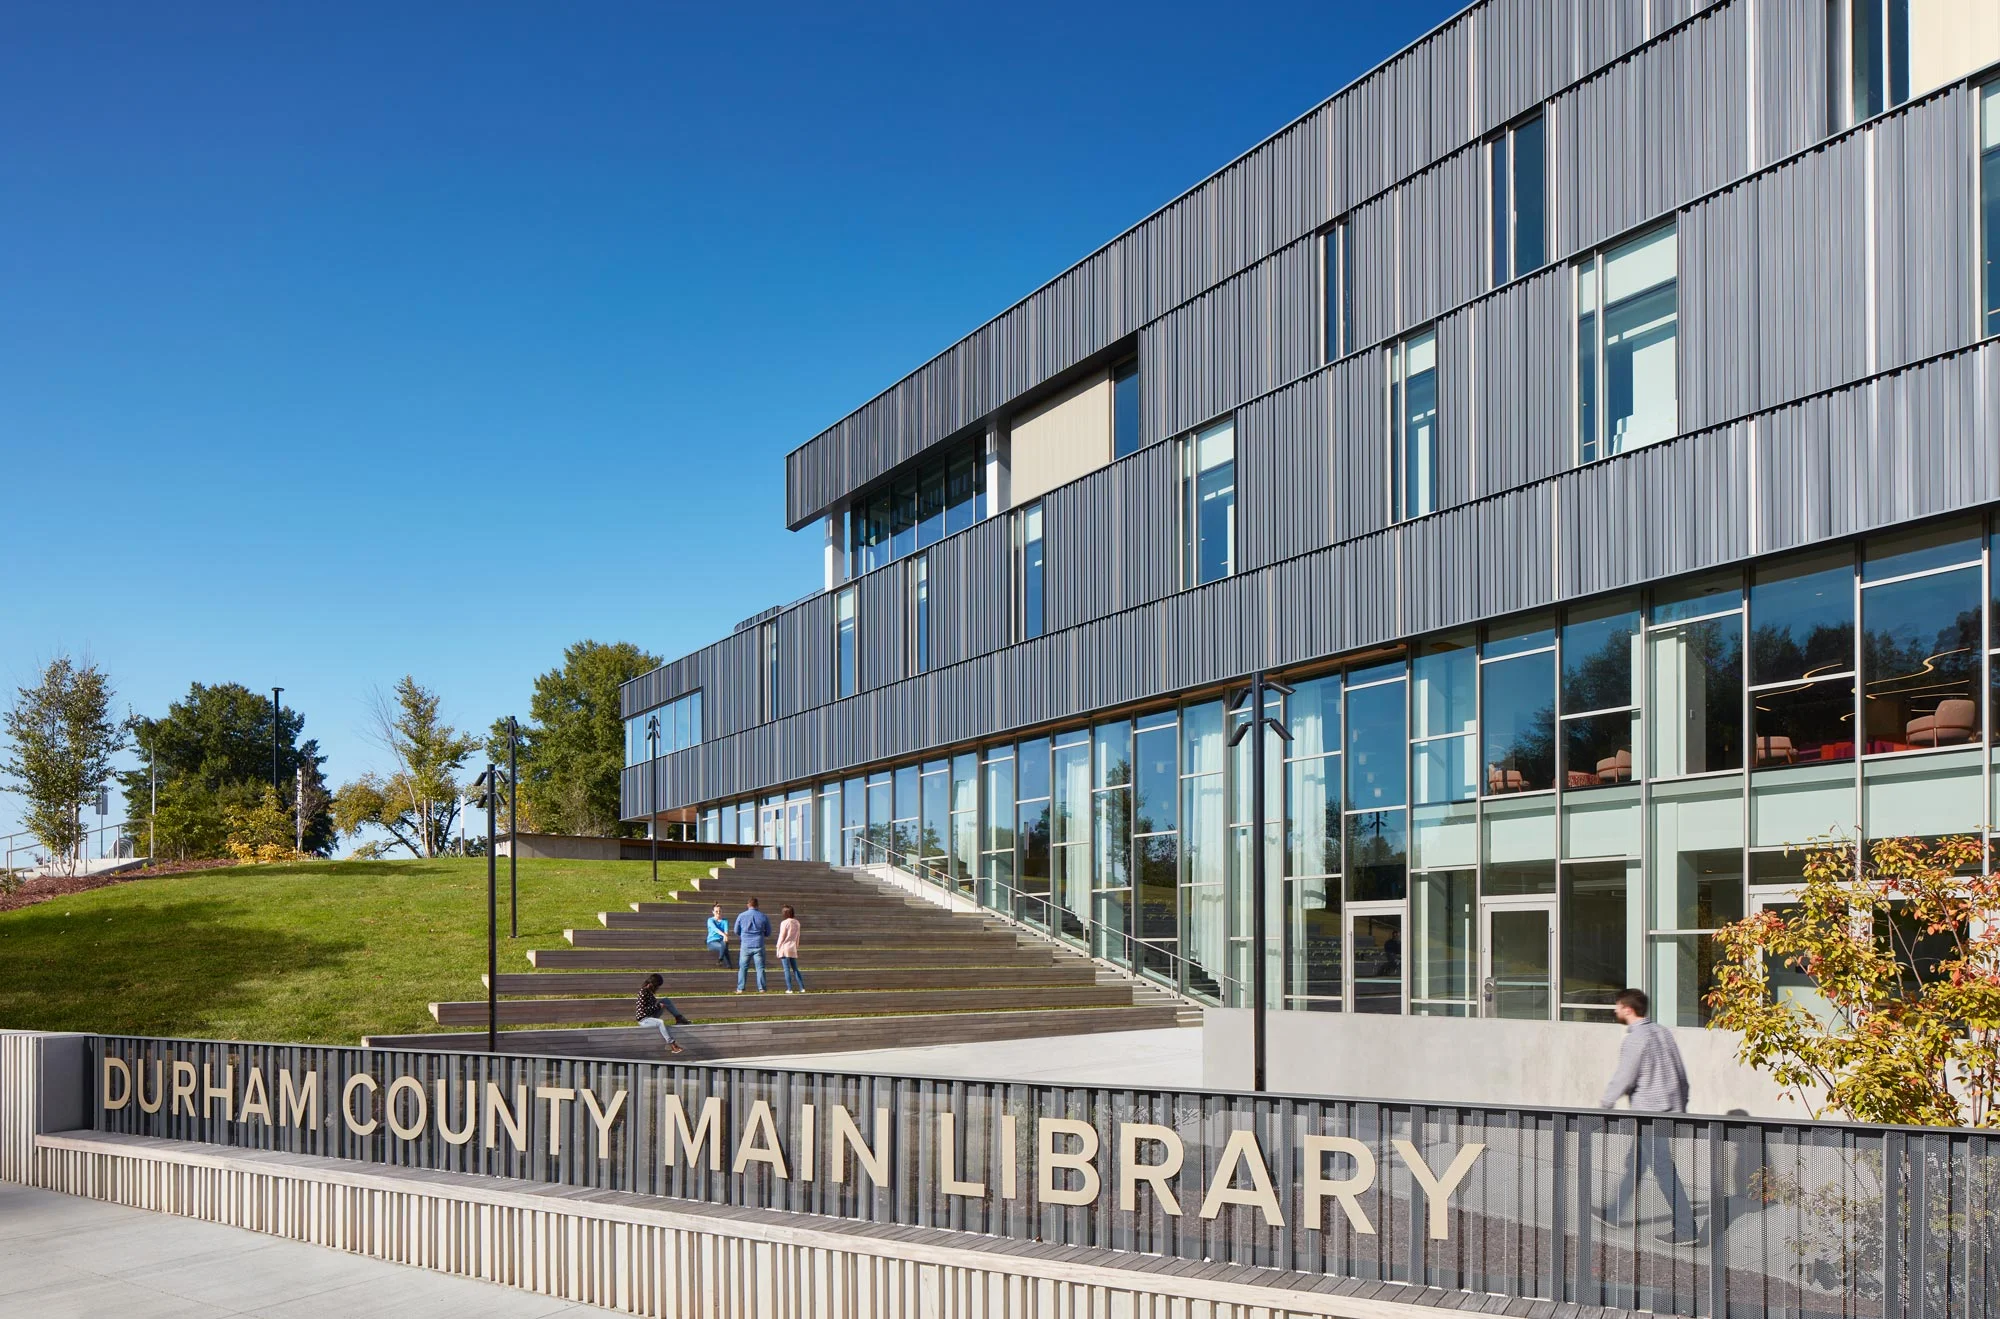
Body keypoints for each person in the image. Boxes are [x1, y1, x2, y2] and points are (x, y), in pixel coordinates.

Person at [1598, 987, 1699, 1245]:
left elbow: (1624, 1076)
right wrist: (1681, 1107)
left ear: (1628, 1009)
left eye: (1618, 1006)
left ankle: (1686, 1230)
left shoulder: (1635, 1039)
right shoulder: (1662, 1032)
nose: (1615, 1010)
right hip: (1667, 1110)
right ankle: (1613, 1212)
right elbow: (1681, 1073)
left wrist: (1604, 1105)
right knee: (1637, 1162)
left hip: (1649, 1114)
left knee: (1663, 1169)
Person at [635, 973, 690, 1055]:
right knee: (660, 1022)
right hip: (644, 1019)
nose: (657, 988)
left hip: (651, 1016)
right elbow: (643, 1010)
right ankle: (672, 1044)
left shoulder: (650, 992)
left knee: (666, 1000)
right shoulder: (643, 992)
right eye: (657, 986)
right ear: (653, 984)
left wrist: (658, 1006)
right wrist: (658, 1007)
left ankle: (679, 1017)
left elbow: (652, 1007)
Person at [734, 897, 772, 993]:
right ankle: (762, 988)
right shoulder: (763, 916)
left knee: (743, 967)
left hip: (745, 945)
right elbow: (768, 932)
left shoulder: (741, 916)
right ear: (757, 905)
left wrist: (743, 935)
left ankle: (740, 988)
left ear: (748, 905)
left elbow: (736, 930)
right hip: (758, 944)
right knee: (760, 968)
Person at [776, 904, 806, 993]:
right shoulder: (797, 922)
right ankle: (802, 988)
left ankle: (789, 988)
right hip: (793, 947)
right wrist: (796, 946)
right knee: (795, 969)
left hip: (784, 947)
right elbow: (798, 936)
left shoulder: (784, 923)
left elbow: (781, 936)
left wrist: (778, 947)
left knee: (786, 969)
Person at [704, 904, 732, 968]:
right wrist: (724, 935)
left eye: (720, 911)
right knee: (724, 947)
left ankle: (721, 960)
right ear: (713, 912)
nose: (718, 912)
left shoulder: (725, 921)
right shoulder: (710, 920)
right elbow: (715, 929)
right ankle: (727, 964)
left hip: (722, 940)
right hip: (712, 941)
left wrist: (726, 935)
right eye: (716, 911)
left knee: (724, 943)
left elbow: (726, 930)